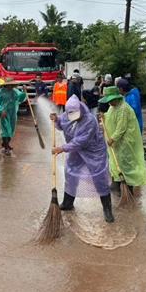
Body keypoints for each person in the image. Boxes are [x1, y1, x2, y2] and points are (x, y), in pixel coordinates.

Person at [50, 95, 114, 223]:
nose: (73, 117)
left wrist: (62, 148)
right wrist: (56, 119)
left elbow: (81, 141)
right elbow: (61, 124)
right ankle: (68, 202)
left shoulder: (90, 120)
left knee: (99, 177)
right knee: (70, 173)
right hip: (76, 150)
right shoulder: (68, 114)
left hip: (93, 151)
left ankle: (107, 209)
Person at [100, 86, 146, 194]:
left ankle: (128, 187)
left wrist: (113, 138)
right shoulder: (113, 106)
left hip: (125, 141)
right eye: (108, 101)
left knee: (125, 163)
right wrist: (104, 116)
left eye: (111, 100)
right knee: (115, 161)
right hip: (116, 141)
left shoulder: (124, 109)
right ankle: (116, 183)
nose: (110, 103)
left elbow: (121, 128)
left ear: (116, 98)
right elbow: (111, 116)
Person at [0, 78, 27, 155]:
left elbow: (21, 98)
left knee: (11, 130)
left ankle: (5, 144)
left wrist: (24, 92)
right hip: (3, 114)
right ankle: (6, 147)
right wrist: (0, 110)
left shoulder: (15, 91)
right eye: (9, 85)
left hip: (13, 113)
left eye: (12, 85)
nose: (11, 86)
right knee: (5, 130)